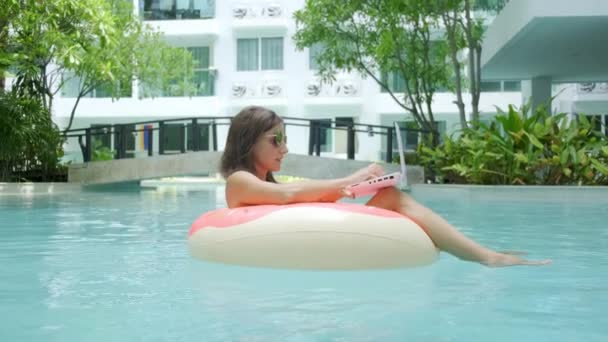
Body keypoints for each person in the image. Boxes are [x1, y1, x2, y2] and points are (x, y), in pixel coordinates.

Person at [220, 106, 551, 267]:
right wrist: (351, 179)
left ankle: (483, 253)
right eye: (276, 140)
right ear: (248, 142)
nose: (285, 148)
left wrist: (356, 185)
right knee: (392, 198)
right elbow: (289, 195)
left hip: (309, 244)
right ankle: (486, 257)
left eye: (285, 139)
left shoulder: (259, 182)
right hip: (297, 249)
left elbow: (300, 193)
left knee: (389, 194)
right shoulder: (239, 180)